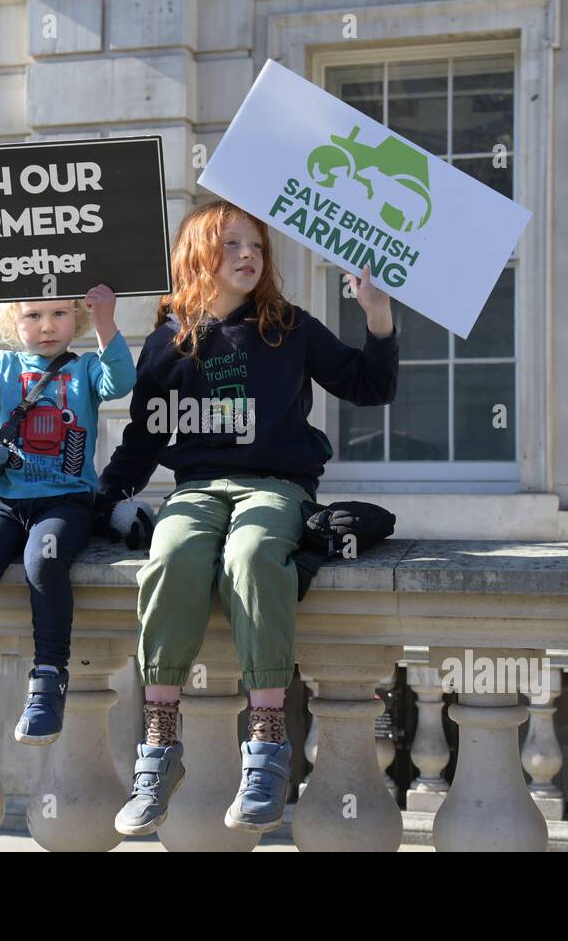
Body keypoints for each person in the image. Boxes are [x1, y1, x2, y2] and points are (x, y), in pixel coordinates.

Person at [96, 200, 399, 835]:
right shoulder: (167, 341)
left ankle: (266, 748)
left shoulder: (287, 327)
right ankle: (158, 748)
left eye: (256, 246)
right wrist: (99, 504)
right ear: (198, 255)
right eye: (232, 244)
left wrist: (377, 317)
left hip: (277, 485)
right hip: (198, 487)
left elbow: (369, 386)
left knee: (254, 553)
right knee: (174, 552)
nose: (248, 256)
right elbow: (142, 441)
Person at [0, 284, 134, 750]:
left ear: (76, 317)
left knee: (43, 562)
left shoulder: (84, 369)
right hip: (4, 502)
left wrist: (106, 322)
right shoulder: (4, 366)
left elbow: (119, 382)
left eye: (60, 313)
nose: (47, 326)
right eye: (33, 316)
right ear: (13, 321)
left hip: (65, 502)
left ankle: (47, 680)